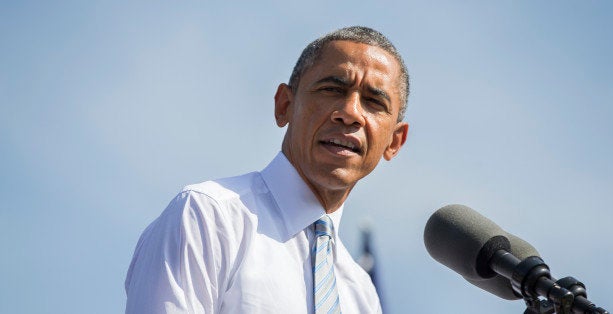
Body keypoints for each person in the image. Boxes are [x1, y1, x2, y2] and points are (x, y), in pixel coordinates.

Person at [125, 26, 410, 314]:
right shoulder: (210, 217)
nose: (350, 113)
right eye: (332, 89)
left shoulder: (361, 295)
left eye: (374, 102)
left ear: (394, 142)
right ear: (284, 105)